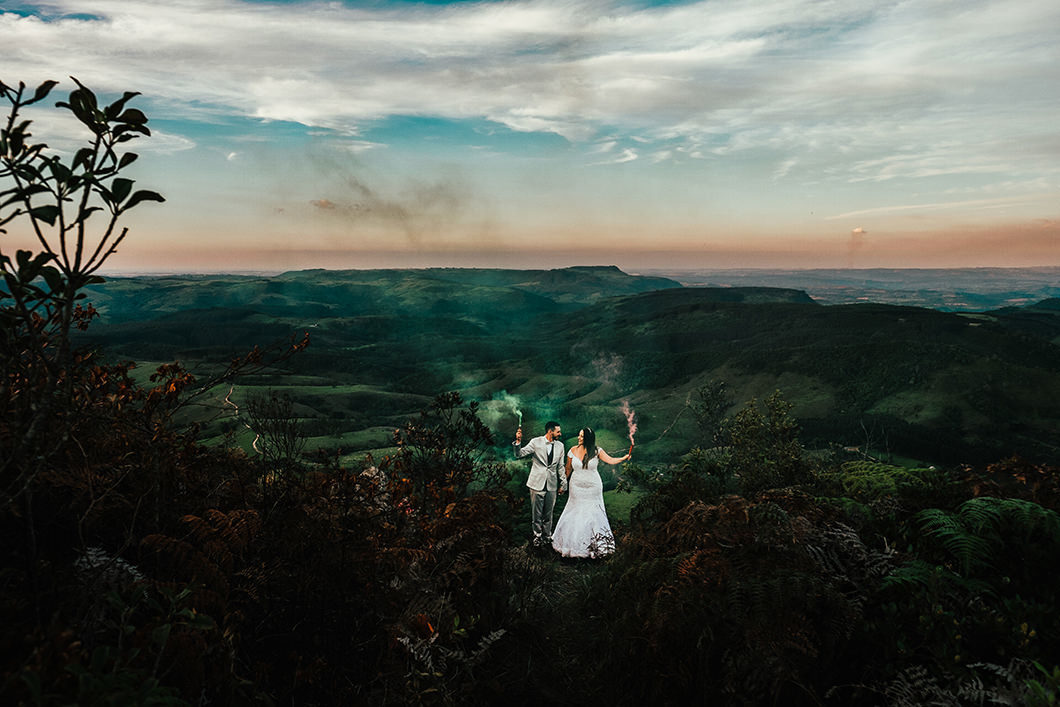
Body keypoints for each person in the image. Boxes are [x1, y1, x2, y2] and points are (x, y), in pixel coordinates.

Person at [551, 427, 630, 558]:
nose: (578, 438)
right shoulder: (572, 451)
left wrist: (623, 458)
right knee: (575, 512)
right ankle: (573, 546)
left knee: (593, 513)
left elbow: (610, 460)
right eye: (579, 435)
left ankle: (593, 546)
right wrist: (562, 485)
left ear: (588, 438)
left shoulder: (597, 451)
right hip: (576, 487)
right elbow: (568, 469)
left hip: (593, 487)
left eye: (581, 436)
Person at [513, 421, 567, 550]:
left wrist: (563, 483)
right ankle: (537, 538)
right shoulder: (535, 442)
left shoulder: (560, 446)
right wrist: (518, 442)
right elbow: (518, 454)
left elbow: (560, 466)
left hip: (552, 485)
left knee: (548, 514)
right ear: (550, 431)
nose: (560, 433)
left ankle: (547, 538)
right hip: (536, 483)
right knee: (536, 515)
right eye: (558, 431)